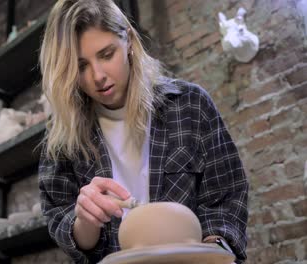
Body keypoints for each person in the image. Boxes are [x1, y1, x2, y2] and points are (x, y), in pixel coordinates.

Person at [37, 0, 248, 263]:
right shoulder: (61, 139)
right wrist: (86, 220)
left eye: (106, 54)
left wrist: (211, 248)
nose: (98, 76)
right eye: (81, 66)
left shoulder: (190, 104)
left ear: (128, 41)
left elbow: (227, 195)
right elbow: (61, 222)